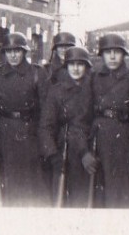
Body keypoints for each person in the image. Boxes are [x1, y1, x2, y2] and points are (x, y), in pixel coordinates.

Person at [87, 33, 129, 208]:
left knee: (128, 199)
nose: (112, 56)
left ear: (124, 54)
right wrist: (86, 151)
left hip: (127, 146)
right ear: (101, 55)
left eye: (117, 52)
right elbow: (85, 115)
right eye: (108, 52)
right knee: (102, 199)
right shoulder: (93, 79)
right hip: (100, 145)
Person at [0, 32, 50, 206]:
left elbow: (45, 109)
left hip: (29, 133)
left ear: (24, 52)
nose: (13, 55)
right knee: (8, 181)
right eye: (9, 51)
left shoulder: (37, 73)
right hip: (5, 132)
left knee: (31, 181)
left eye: (17, 51)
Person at [38, 45, 95, 208]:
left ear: (87, 67)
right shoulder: (56, 91)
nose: (76, 68)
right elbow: (46, 126)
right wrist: (52, 154)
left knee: (85, 200)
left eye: (80, 64)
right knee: (61, 200)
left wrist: (88, 151)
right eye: (72, 64)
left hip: (89, 153)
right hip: (63, 153)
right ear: (66, 66)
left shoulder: (93, 89)